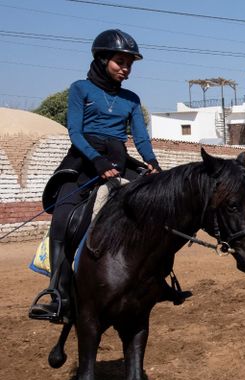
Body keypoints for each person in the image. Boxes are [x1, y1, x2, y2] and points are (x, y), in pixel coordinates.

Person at [29, 29, 175, 322]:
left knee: (158, 210)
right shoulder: (80, 89)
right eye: (120, 61)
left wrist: (152, 163)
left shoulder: (131, 99)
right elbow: (75, 131)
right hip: (84, 160)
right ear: (102, 59)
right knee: (62, 217)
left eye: (130, 64)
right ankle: (58, 293)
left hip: (119, 159)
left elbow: (141, 138)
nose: (126, 68)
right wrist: (96, 162)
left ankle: (158, 280)